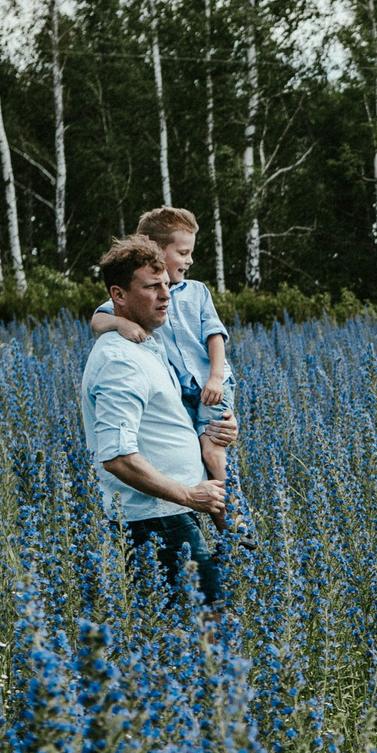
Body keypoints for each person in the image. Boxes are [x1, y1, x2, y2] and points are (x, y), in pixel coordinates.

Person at [81, 234, 239, 607]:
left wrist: (218, 429)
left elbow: (165, 422)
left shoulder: (149, 347)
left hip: (176, 513)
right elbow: (117, 457)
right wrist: (188, 493)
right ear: (118, 295)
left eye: (167, 284)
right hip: (156, 521)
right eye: (152, 287)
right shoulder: (120, 361)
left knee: (203, 630)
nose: (166, 295)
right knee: (204, 632)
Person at [91, 207, 234, 526]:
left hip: (210, 383)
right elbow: (98, 318)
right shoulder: (124, 338)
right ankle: (227, 522)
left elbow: (216, 336)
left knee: (213, 449)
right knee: (204, 447)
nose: (189, 260)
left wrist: (216, 380)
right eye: (182, 252)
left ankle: (234, 523)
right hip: (156, 508)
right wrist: (120, 324)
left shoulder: (195, 292)